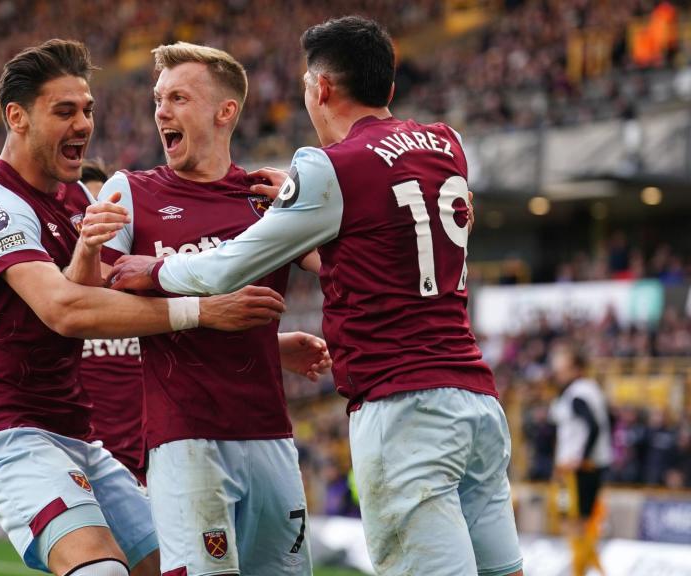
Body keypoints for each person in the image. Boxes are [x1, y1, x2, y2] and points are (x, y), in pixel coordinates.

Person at [110, 17, 522, 576]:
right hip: (475, 398)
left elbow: (229, 265)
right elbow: (387, 239)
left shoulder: (327, 167)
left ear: (321, 89)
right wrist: (311, 206)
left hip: (404, 407)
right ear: (389, 90)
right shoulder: (445, 144)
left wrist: (153, 270)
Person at [0, 39, 286, 576]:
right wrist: (203, 311)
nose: (83, 124)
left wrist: (269, 343)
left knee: (173, 569)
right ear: (17, 117)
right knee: (99, 570)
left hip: (74, 432)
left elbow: (98, 303)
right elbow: (67, 312)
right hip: (3, 430)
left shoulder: (76, 204)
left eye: (88, 109)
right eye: (65, 111)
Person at [74, 42, 330, 576]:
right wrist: (89, 254)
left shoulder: (266, 198)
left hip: (269, 434)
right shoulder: (130, 192)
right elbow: (87, 301)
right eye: (158, 99)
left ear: (225, 111)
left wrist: (311, 212)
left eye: (178, 98)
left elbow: (339, 269)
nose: (161, 111)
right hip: (183, 436)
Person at [78, 159, 147, 484]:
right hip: (81, 468)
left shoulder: (146, 282)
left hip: (153, 468)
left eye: (105, 207)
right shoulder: (51, 297)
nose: (96, 219)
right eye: (86, 211)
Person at [549, 344, 612, 576]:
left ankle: (582, 571)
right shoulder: (589, 389)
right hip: (589, 465)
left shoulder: (577, 393)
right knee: (581, 523)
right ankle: (594, 569)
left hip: (579, 468)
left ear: (575, 367)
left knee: (574, 523)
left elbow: (593, 426)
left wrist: (581, 457)